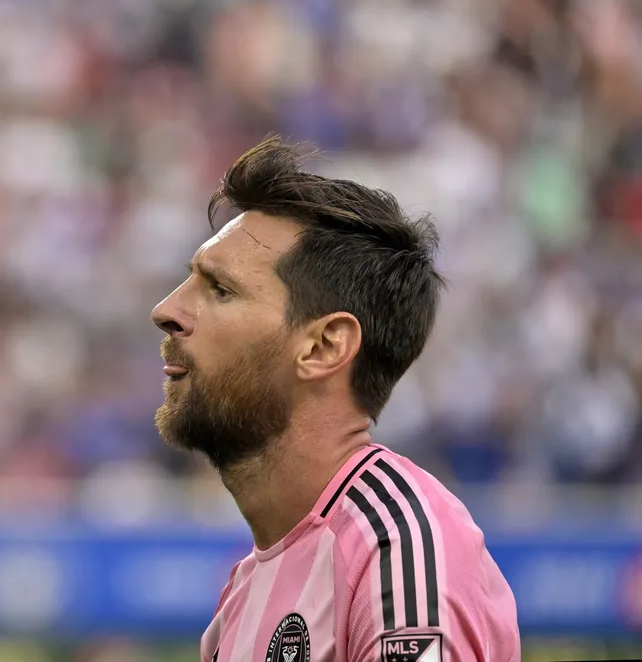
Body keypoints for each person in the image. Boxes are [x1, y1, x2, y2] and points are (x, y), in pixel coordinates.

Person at [150, 137, 520, 662]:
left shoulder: (398, 545)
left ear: (324, 346)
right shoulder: (242, 595)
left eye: (220, 290)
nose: (166, 310)